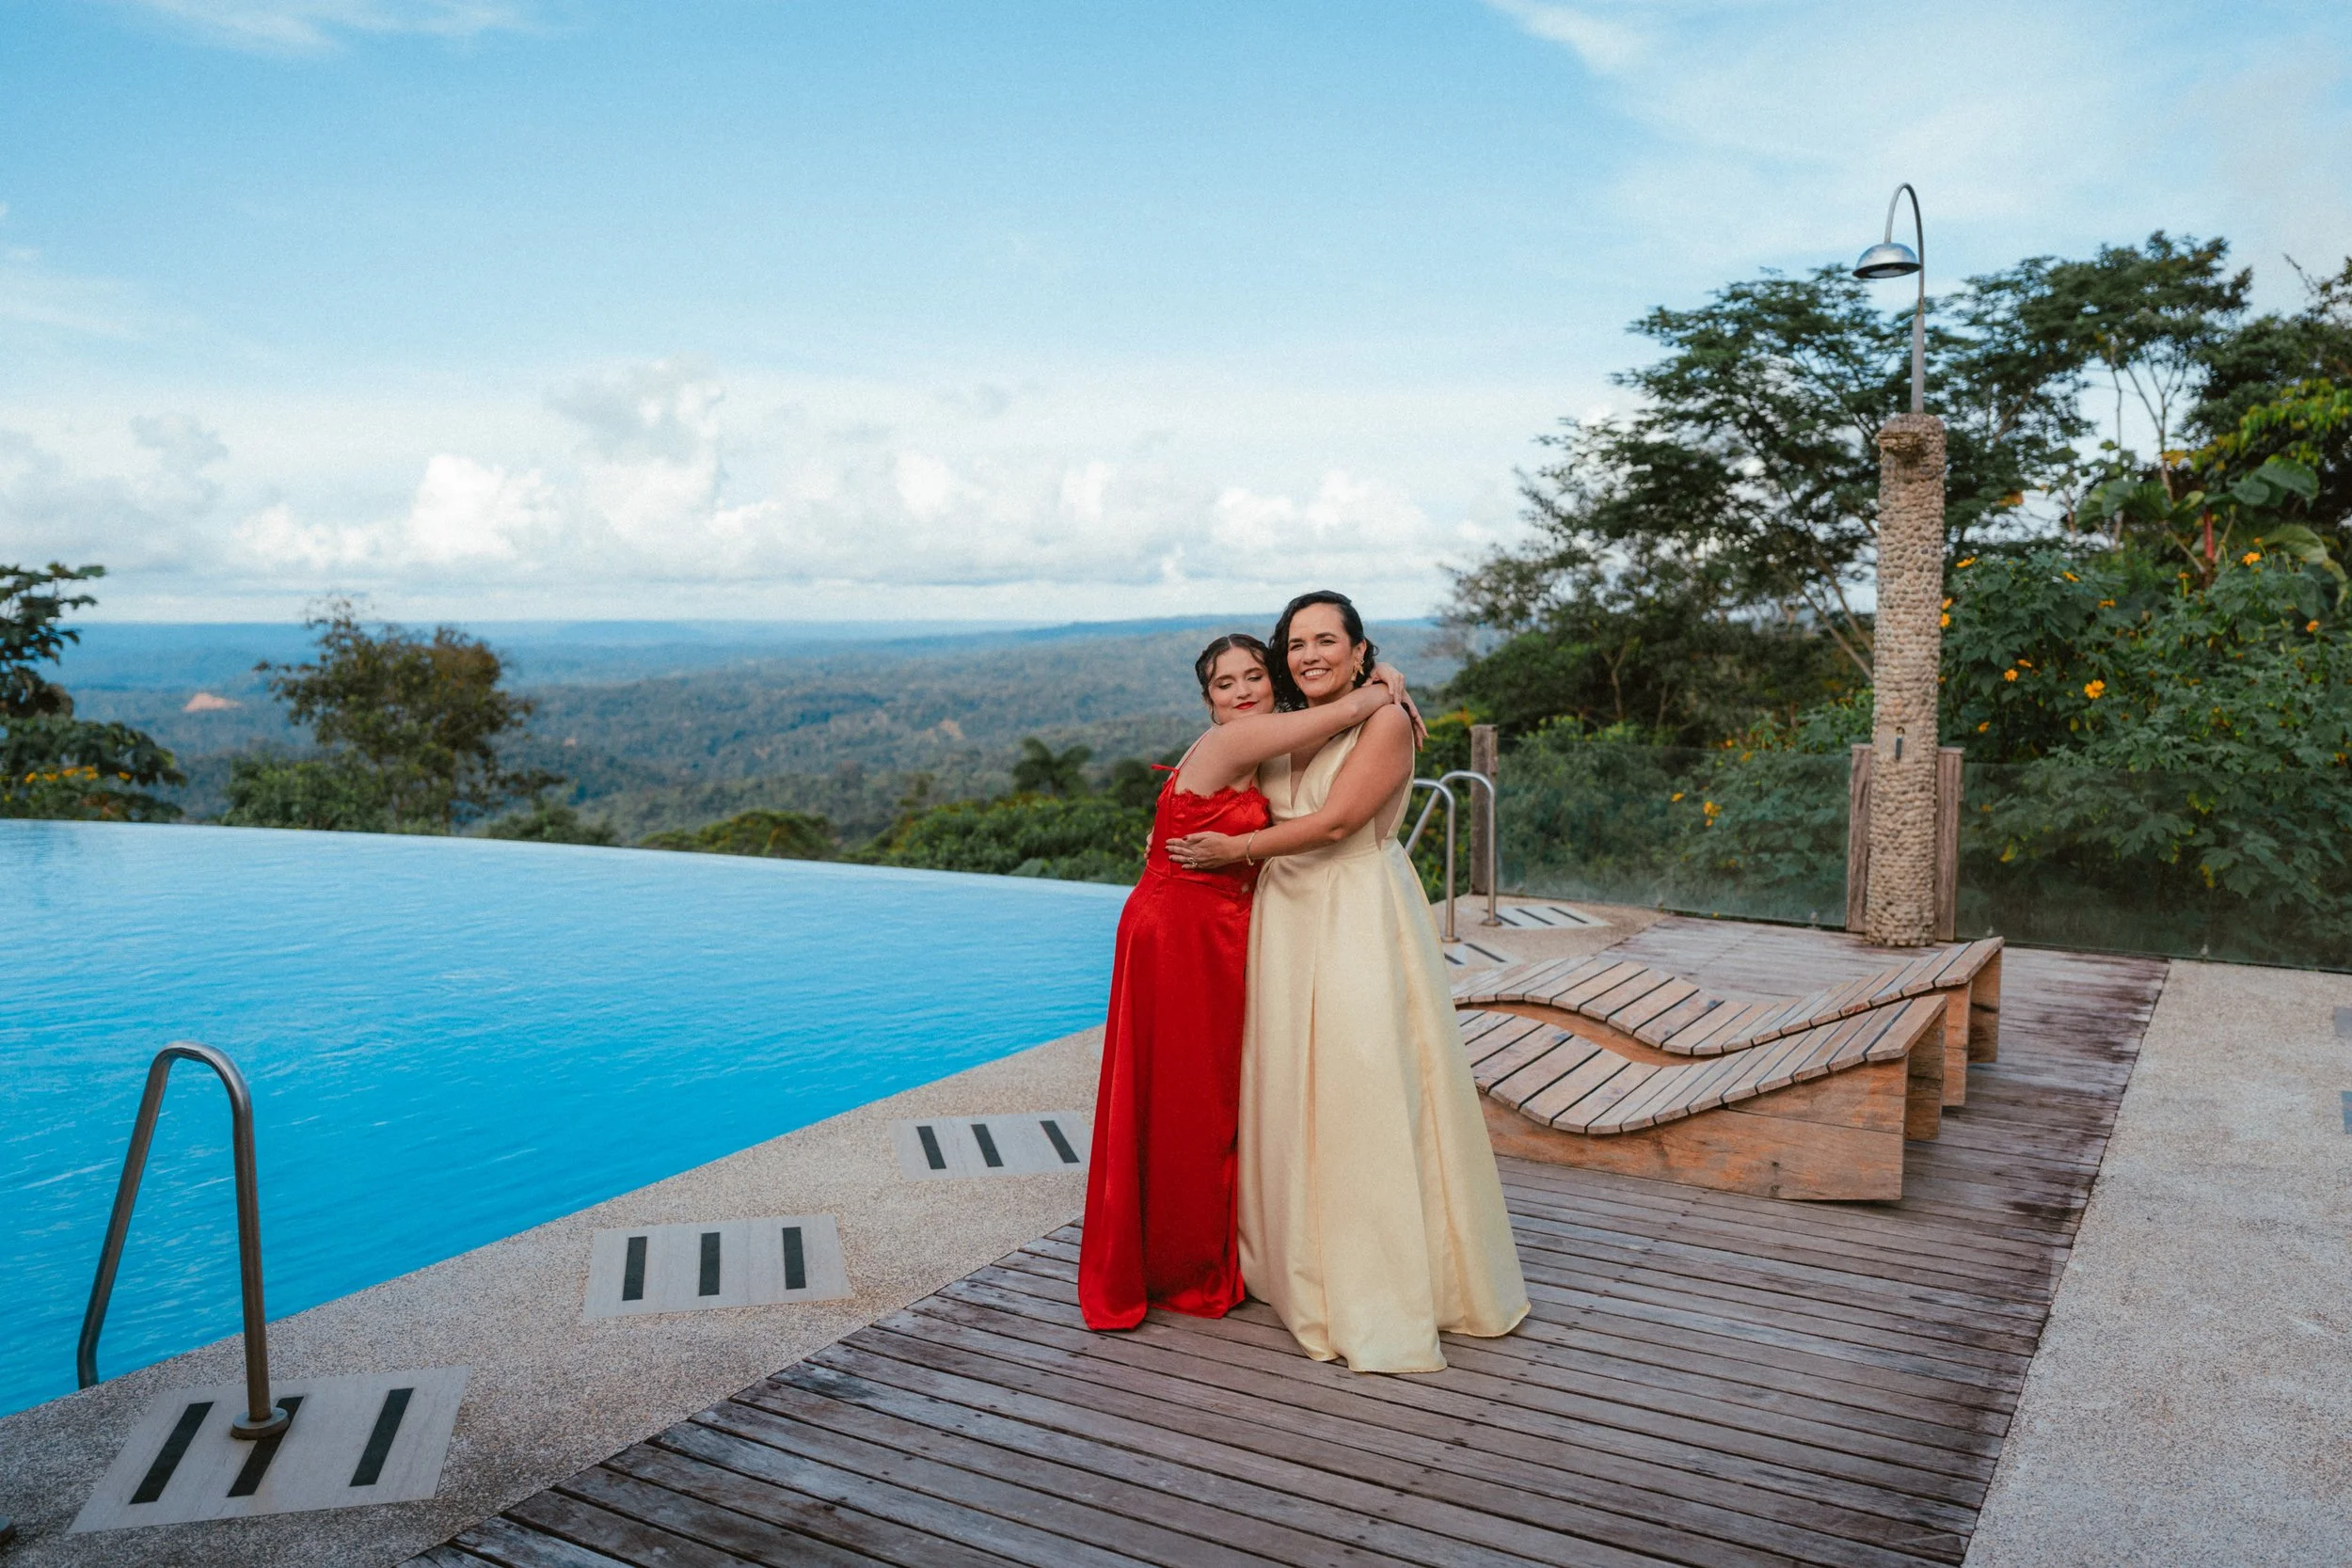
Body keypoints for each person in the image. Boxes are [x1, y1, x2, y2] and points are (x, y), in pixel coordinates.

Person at [1168, 591, 1527, 1372]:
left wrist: (1237, 852)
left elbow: (1335, 823)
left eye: (1327, 640)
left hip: (1356, 911)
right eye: (1295, 644)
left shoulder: (1387, 721)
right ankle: (1296, 1267)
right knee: (1288, 1089)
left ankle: (1380, 1283)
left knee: (1363, 1089)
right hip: (1285, 918)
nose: (1309, 655)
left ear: (1360, 649)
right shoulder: (1291, 720)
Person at [1077, 632, 1421, 1331]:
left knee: (1199, 1094)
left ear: (1272, 684)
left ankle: (1190, 1248)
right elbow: (1335, 717)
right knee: (1188, 1098)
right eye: (1224, 684)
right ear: (1208, 703)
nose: (1241, 692)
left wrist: (1380, 668)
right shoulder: (1237, 741)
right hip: (1181, 932)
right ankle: (1182, 1264)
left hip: (1207, 929)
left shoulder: (1255, 743)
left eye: (1253, 677)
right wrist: (1384, 678)